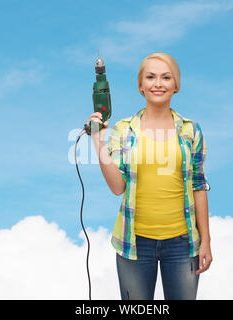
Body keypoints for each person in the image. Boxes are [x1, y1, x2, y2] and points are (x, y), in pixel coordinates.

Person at [86, 52, 212, 300]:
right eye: (150, 77)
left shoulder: (191, 130)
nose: (158, 83)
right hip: (134, 244)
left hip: (182, 244)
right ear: (140, 85)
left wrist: (205, 240)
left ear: (175, 85)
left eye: (166, 77)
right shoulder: (123, 130)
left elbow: (198, 186)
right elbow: (117, 187)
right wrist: (98, 144)